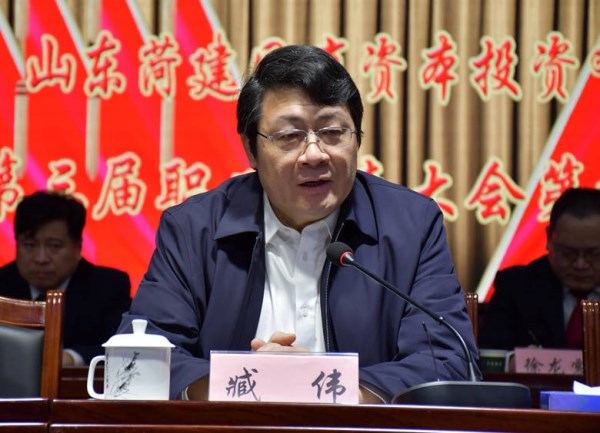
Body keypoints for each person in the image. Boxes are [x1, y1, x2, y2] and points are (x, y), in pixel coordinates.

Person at [117, 45, 478, 403]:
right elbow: (138, 359)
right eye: (289, 136)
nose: (314, 154)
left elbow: (448, 361)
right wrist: (247, 381)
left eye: (333, 132)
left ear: (357, 138)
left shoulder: (412, 225)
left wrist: (329, 387)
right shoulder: (193, 229)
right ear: (251, 149)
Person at [0, 191, 131, 366]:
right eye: (30, 245)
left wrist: (69, 358)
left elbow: (121, 348)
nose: (41, 258)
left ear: (78, 247)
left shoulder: (108, 287)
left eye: (54, 246)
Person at [479, 187, 600, 350]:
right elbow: (491, 353)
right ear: (549, 238)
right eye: (568, 253)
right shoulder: (516, 287)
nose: (580, 264)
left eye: (593, 254)